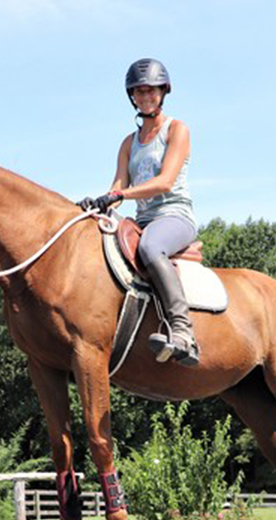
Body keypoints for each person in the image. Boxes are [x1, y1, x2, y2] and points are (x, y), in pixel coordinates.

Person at [80, 58, 200, 367]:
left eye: (151, 90)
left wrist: (120, 194)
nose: (145, 96)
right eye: (139, 91)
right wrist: (99, 205)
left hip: (174, 215)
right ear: (131, 96)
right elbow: (118, 187)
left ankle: (182, 331)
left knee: (150, 246)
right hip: (142, 221)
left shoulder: (177, 130)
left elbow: (165, 182)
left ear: (163, 92)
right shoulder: (128, 143)